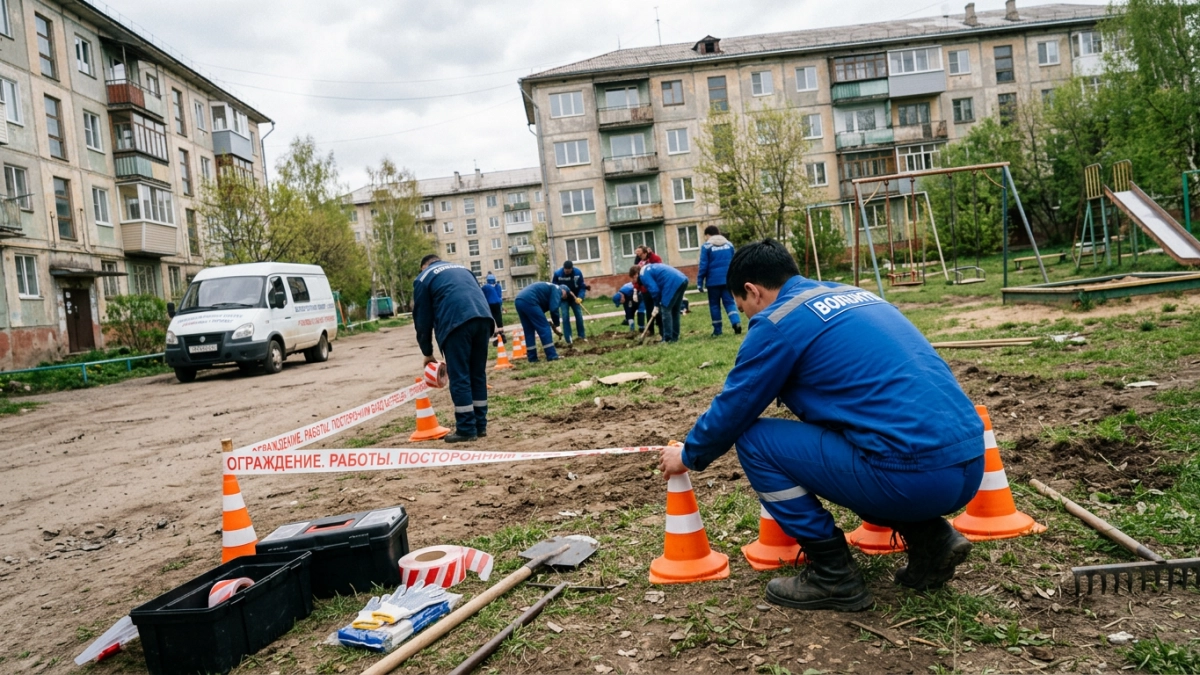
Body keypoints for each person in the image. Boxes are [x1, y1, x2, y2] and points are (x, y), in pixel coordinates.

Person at [657, 239, 985, 612]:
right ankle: (932, 538)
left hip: (912, 478)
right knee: (862, 435)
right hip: (971, 464)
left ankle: (833, 574)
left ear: (752, 290)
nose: (750, 318)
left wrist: (688, 455)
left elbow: (735, 408)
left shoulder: (778, 320)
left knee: (753, 438)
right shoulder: (853, 295)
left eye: (744, 309)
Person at [413, 254, 495, 443]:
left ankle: (467, 428)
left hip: (456, 324)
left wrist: (427, 352)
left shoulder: (424, 278)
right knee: (477, 374)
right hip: (483, 319)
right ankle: (480, 425)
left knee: (459, 376)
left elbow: (422, 319)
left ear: (423, 266)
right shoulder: (463, 269)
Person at [697, 225, 742, 337]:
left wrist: (700, 282)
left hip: (713, 281)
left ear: (708, 235)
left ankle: (718, 331)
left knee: (714, 305)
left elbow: (703, 265)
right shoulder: (729, 245)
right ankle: (736, 322)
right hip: (727, 280)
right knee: (730, 302)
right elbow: (735, 262)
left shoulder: (706, 246)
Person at [514, 281, 575, 362]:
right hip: (530, 300)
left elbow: (541, 308)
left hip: (519, 300)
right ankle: (551, 355)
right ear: (564, 292)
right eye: (563, 297)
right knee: (544, 327)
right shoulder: (558, 289)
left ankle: (532, 358)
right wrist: (557, 325)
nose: (561, 299)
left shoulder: (550, 288)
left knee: (529, 330)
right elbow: (554, 309)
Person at [629, 262, 688, 343]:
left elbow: (655, 291)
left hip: (671, 282)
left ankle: (667, 339)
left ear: (635, 274)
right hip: (682, 279)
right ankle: (674, 338)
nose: (633, 282)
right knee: (675, 311)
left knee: (665, 310)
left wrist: (656, 306)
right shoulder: (648, 269)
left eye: (633, 279)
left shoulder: (643, 275)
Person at [552, 260, 587, 344]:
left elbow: (582, 286)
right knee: (565, 317)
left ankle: (581, 336)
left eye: (569, 271)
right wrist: (559, 295)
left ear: (572, 268)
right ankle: (568, 339)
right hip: (563, 299)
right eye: (565, 270)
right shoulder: (557, 274)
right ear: (563, 268)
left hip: (575, 298)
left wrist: (580, 297)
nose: (567, 272)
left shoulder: (578, 273)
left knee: (579, 316)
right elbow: (554, 287)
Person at [634, 245, 663, 336]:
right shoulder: (639, 261)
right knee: (649, 310)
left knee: (658, 310)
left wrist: (651, 254)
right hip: (644, 290)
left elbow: (659, 266)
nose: (639, 256)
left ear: (646, 253)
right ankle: (651, 331)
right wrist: (635, 290)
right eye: (637, 254)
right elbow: (636, 275)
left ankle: (662, 329)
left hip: (654, 288)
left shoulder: (653, 259)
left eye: (640, 254)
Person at [481, 273, 505, 346]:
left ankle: (494, 333)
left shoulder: (485, 287)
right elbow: (499, 295)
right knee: (498, 317)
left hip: (489, 304)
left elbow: (481, 294)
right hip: (497, 303)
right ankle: (501, 333)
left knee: (491, 318)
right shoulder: (498, 286)